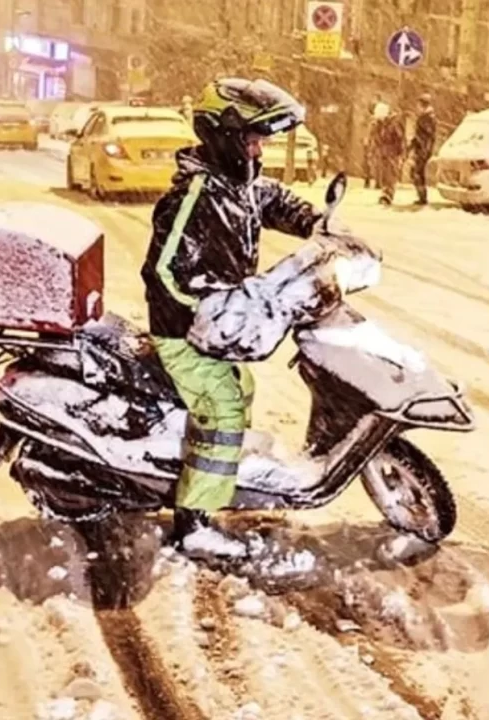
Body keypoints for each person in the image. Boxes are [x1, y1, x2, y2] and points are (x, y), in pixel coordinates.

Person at [142, 78, 326, 555]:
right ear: (223, 135)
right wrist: (203, 309)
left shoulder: (237, 182)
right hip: (186, 332)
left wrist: (317, 223)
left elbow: (271, 200)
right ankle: (194, 523)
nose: (259, 148)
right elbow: (163, 271)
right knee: (222, 404)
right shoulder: (195, 195)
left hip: (218, 330)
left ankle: (213, 471)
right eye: (252, 138)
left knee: (240, 388)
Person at [371, 103, 405, 206]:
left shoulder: (393, 124)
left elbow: (399, 139)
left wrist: (400, 153)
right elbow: (377, 139)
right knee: (384, 174)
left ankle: (388, 194)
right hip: (383, 152)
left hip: (391, 153)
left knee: (390, 174)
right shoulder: (379, 125)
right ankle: (384, 192)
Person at [408, 94, 436, 206]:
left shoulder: (426, 118)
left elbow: (426, 136)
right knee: (418, 173)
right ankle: (422, 196)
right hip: (422, 149)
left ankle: (422, 197)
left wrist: (421, 148)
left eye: (418, 104)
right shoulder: (427, 117)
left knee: (416, 173)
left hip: (422, 150)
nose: (416, 107)